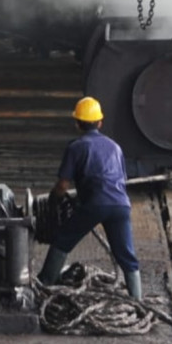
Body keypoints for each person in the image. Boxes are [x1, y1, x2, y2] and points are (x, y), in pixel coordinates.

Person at [37, 96, 142, 300]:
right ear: (100, 122)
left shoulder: (76, 147)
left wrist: (54, 199)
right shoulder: (115, 147)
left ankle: (44, 285)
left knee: (62, 240)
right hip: (121, 205)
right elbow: (119, 180)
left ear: (77, 123)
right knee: (126, 255)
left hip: (94, 205)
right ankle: (138, 300)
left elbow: (62, 185)